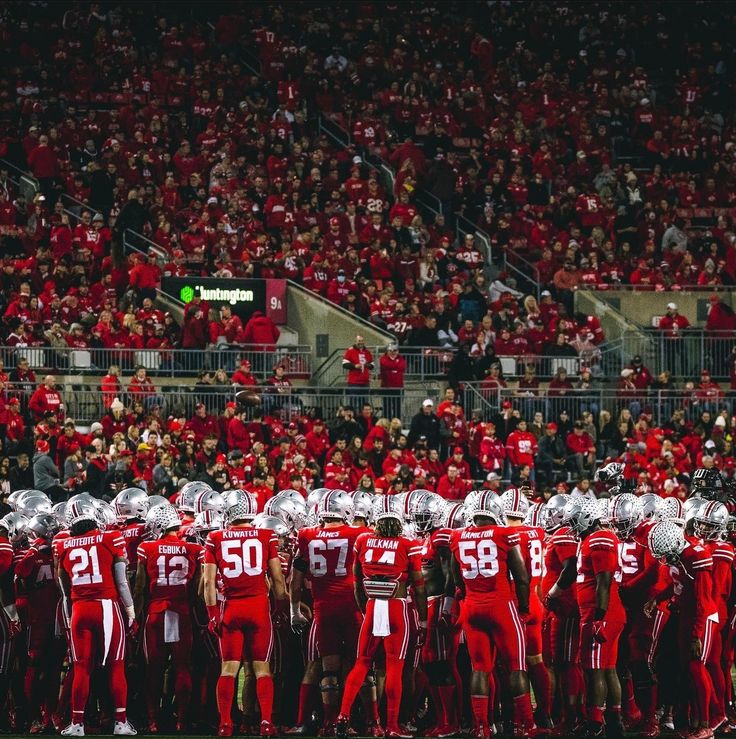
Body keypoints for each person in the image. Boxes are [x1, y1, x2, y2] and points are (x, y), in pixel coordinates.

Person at [447, 491, 536, 738]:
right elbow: (521, 577)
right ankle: (527, 726)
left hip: (473, 608)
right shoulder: (506, 533)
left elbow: (456, 578)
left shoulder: (457, 536)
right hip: (501, 606)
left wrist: (468, 595)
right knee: (517, 667)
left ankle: (482, 727)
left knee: (480, 670)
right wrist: (525, 607)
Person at [335, 497, 427, 738]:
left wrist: (366, 610)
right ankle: (392, 725)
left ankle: (343, 714)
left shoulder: (363, 540)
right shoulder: (408, 544)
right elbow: (418, 586)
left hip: (373, 605)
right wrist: (424, 619)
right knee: (394, 666)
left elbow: (356, 584)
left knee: (362, 662)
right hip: (397, 607)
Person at [203, 495, 286, 737]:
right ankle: (266, 722)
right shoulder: (265, 535)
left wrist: (211, 614)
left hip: (231, 608)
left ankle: (226, 723)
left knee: (228, 668)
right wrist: (280, 608)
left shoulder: (215, 537)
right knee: (262, 669)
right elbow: (277, 578)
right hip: (258, 607)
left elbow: (208, 582)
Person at [55, 498, 138, 736]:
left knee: (81, 667)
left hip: (80, 608)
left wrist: (70, 615)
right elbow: (122, 581)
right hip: (106, 607)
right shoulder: (110, 538)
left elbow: (63, 587)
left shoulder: (64, 545)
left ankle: (77, 724)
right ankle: (120, 722)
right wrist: (130, 610)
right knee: (115, 665)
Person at [290, 491, 371, 735]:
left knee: (329, 669)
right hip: (353, 607)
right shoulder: (359, 533)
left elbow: (296, 579)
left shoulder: (306, 535)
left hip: (323, 609)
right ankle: (367, 721)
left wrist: (294, 610)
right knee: (360, 665)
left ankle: (329, 722)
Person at [545, 496, 626, 738]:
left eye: (574, 521)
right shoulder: (592, 539)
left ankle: (595, 722)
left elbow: (604, 582)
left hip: (601, 613)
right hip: (598, 612)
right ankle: (614, 721)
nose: (571, 527)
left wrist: (599, 618)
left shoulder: (600, 538)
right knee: (607, 668)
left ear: (585, 517)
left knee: (595, 670)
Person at [134, 504, 203, 733]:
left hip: (156, 612)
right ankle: (181, 720)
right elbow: (197, 589)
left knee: (154, 668)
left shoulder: (147, 547)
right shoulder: (193, 550)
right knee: (183, 666)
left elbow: (140, 587)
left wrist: (133, 617)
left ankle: (153, 720)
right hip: (181, 613)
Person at [342, 335, 374, 408]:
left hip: (365, 382)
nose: (360, 342)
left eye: (362, 341)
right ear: (355, 341)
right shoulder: (350, 351)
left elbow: (372, 365)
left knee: (364, 404)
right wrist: (354, 366)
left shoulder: (367, 352)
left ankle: (362, 418)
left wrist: (367, 365)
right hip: (354, 383)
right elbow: (344, 364)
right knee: (353, 403)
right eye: (359, 341)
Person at [379, 343, 406, 420]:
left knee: (397, 408)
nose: (393, 352)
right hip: (386, 387)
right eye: (390, 350)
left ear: (398, 351)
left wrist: (391, 368)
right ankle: (387, 426)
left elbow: (402, 366)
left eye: (395, 350)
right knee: (387, 408)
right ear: (387, 351)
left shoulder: (401, 358)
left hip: (398, 388)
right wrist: (395, 367)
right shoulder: (383, 358)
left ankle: (397, 426)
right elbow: (385, 364)